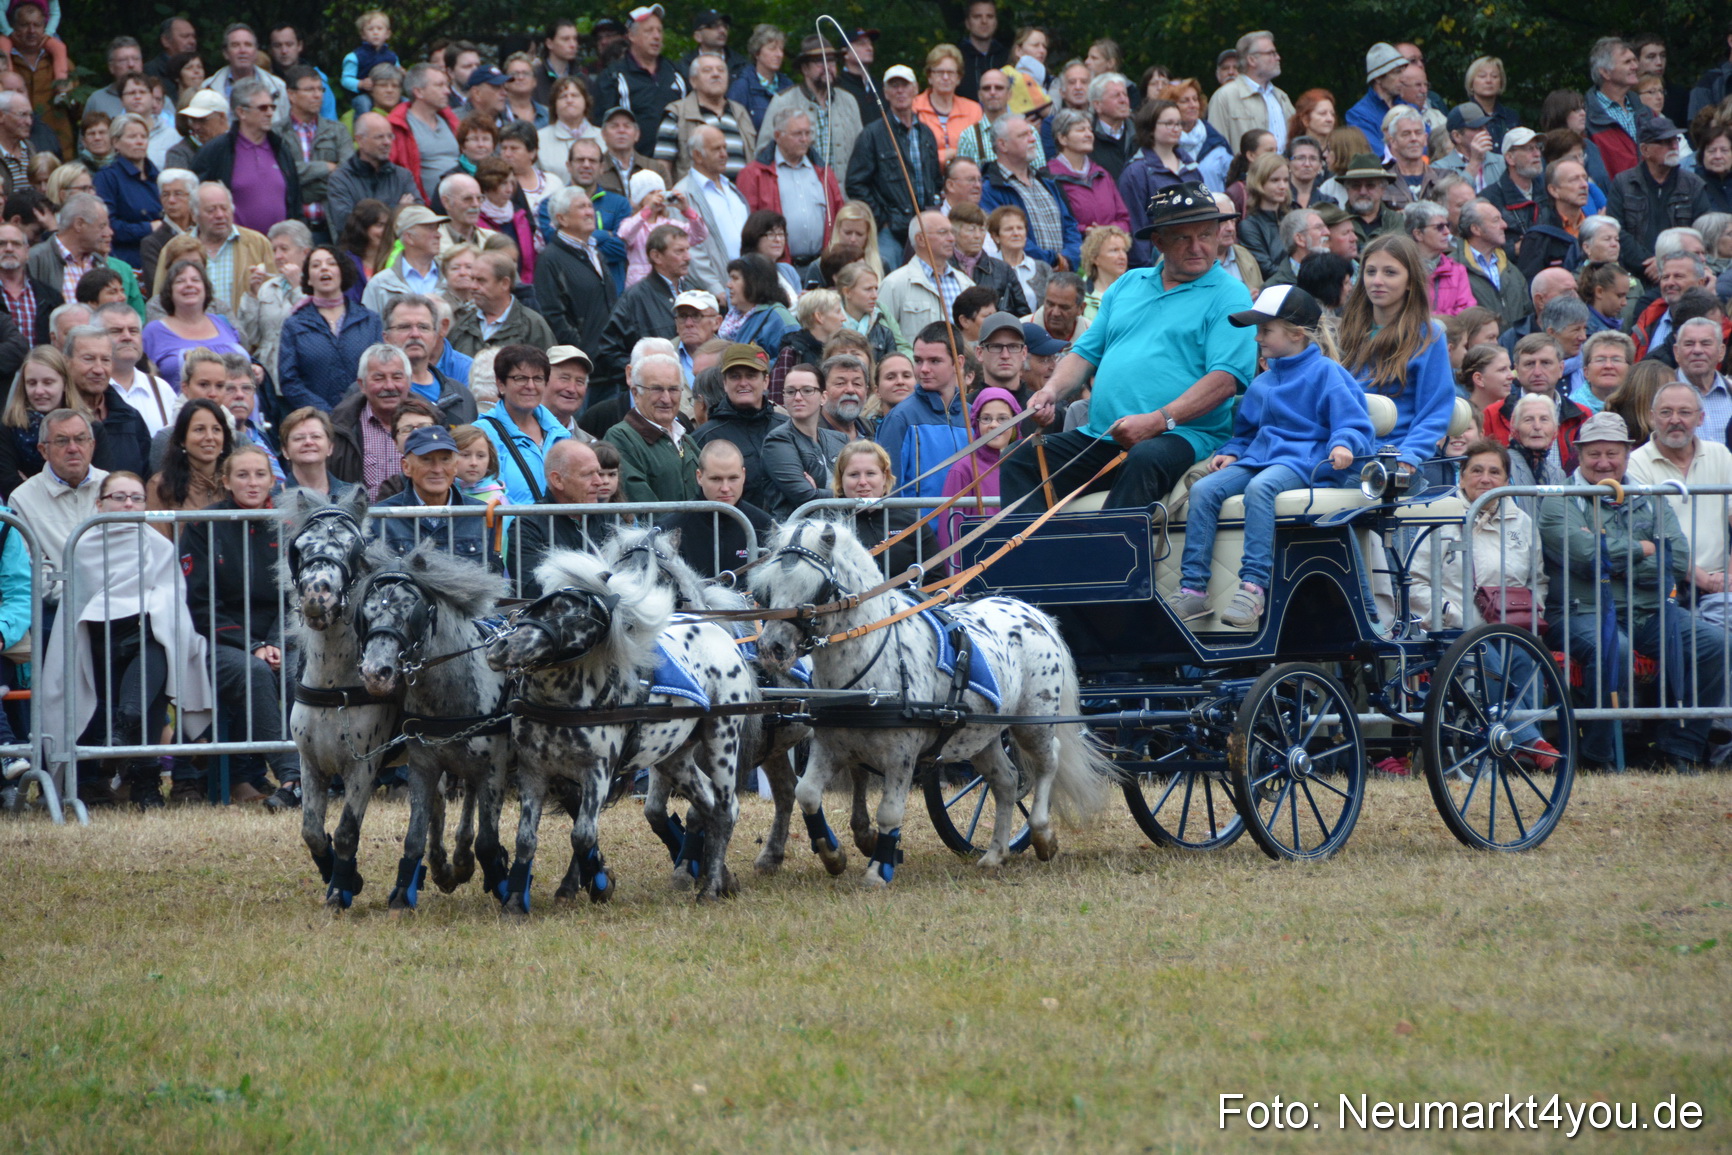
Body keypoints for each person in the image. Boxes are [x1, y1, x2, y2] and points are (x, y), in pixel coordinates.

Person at [1539, 410, 1723, 769]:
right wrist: (1644, 548)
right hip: (1582, 612)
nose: (1604, 462)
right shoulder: (1559, 498)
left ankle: (1678, 750)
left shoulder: (1648, 495)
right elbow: (1587, 556)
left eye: (1613, 453)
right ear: (1578, 454)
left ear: (1627, 454)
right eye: (1594, 453)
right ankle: (1596, 756)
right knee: (1615, 649)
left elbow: (1676, 557)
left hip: (1650, 611)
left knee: (1716, 645)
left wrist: (1614, 553)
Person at [40, 468, 215, 808]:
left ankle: (129, 731)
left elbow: (171, 601)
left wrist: (154, 612)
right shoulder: (82, 545)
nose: (129, 505)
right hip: (98, 652)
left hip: (148, 643)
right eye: (119, 498)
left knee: (158, 643)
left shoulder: (160, 546)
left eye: (136, 498)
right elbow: (80, 608)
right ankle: (144, 778)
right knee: (155, 651)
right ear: (100, 504)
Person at [184, 443, 302, 808]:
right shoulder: (205, 524)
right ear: (226, 482)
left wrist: (273, 642)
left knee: (301, 671)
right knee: (255, 672)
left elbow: (295, 597)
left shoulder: (288, 525)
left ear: (273, 481)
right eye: (242, 475)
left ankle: (319, 772)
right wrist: (252, 645)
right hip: (221, 640)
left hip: (281, 635)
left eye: (260, 474)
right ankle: (293, 777)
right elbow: (201, 603)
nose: (252, 483)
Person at [1408, 438, 1549, 641]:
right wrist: (1448, 615)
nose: (1485, 479)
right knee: (1489, 669)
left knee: (1525, 667)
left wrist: (1529, 617)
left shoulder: (1523, 522)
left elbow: (1537, 582)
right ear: (1462, 478)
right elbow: (1415, 580)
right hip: (1456, 632)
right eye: (1476, 471)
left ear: (1507, 481)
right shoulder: (1440, 518)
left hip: (1514, 632)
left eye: (1494, 472)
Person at [1337, 234, 1455, 475]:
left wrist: (1410, 455)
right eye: (1370, 272)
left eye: (1390, 272)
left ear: (1410, 281)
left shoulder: (1429, 336)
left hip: (1397, 460)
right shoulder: (1344, 331)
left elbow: (1435, 410)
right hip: (1343, 454)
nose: (1377, 281)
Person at [1627, 380, 1732, 616]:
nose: (1675, 420)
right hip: (1664, 582)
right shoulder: (1635, 464)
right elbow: (1649, 537)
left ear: (1701, 418)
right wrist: (1703, 579)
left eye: (1685, 412)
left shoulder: (1721, 455)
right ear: (1653, 418)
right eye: (1666, 412)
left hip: (1722, 582)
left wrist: (1728, 577)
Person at [846, 64, 941, 271]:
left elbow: (935, 179)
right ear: (885, 93)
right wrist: (883, 218)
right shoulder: (871, 134)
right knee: (887, 271)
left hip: (925, 225)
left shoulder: (926, 133)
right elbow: (855, 183)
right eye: (894, 86)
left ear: (916, 89)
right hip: (891, 229)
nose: (900, 91)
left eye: (905, 85)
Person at [373, 423, 498, 569]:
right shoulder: (382, 517)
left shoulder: (480, 513)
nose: (437, 469)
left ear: (455, 466)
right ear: (406, 467)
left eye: (445, 459)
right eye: (426, 459)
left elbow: (494, 575)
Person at [1608, 117, 1714, 285]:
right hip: (1632, 275)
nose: (1673, 146)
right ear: (1645, 150)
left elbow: (1703, 233)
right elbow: (1615, 230)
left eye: (1675, 140)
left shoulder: (1694, 185)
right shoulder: (1623, 183)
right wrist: (1649, 263)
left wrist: (1667, 265)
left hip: (1682, 275)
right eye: (1664, 142)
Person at [276, 244, 382, 411]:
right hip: (317, 423)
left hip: (365, 415)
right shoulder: (294, 324)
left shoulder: (369, 320)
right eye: (316, 265)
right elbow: (289, 380)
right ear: (309, 278)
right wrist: (324, 413)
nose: (324, 268)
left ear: (342, 272)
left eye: (331, 263)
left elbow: (381, 370)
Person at [873, 321, 969, 501]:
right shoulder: (900, 418)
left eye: (934, 361)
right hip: (918, 528)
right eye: (918, 361)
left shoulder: (975, 416)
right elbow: (889, 490)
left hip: (969, 527)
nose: (924, 369)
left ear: (958, 362)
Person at [506, 438, 610, 596]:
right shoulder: (527, 525)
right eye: (587, 474)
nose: (599, 481)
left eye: (598, 472)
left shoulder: (609, 518)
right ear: (558, 480)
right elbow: (531, 588)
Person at [476, 343, 571, 505]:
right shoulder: (482, 435)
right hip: (515, 529)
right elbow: (490, 497)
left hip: (558, 528)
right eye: (520, 378)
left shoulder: (560, 433)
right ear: (501, 384)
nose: (530, 386)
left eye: (538, 379)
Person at [665, 439, 773, 577]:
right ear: (699, 476)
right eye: (716, 479)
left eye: (733, 478)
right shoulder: (670, 529)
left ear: (744, 475)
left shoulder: (765, 526)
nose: (725, 488)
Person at [1119, 100, 1203, 268]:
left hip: (1195, 257)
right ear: (1150, 127)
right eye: (1168, 123)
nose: (1176, 128)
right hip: (1157, 264)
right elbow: (1136, 225)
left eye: (1179, 123)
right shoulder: (1136, 172)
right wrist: (1145, 270)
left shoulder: (1191, 167)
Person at [832, 438, 936, 573]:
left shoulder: (911, 521)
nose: (863, 481)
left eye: (870, 473)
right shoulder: (828, 523)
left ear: (884, 477)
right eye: (854, 475)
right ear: (841, 480)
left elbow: (936, 577)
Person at [603, 352, 697, 502]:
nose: (666, 399)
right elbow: (641, 505)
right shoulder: (621, 438)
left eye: (673, 389)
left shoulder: (687, 439)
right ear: (635, 393)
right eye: (657, 389)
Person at [139, 258, 245, 392]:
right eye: (180, 281)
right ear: (169, 291)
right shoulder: (153, 331)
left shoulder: (222, 322)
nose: (189, 285)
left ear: (206, 288)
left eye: (195, 280)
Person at [763, 359, 848, 516]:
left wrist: (818, 492)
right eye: (790, 391)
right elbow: (805, 496)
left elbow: (860, 483)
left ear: (823, 397)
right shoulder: (777, 441)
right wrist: (850, 495)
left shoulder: (840, 439)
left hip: (840, 531)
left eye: (807, 390)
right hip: (797, 534)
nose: (797, 397)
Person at [600, 4, 690, 149]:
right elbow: (602, 124)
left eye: (659, 31)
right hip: (634, 164)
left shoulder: (677, 73)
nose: (656, 36)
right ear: (631, 36)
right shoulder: (613, 76)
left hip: (677, 163)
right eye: (649, 31)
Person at [448, 249, 555, 354]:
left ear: (504, 283)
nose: (473, 286)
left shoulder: (533, 326)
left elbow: (550, 368)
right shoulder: (462, 326)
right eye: (472, 279)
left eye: (481, 280)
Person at [1045, 108, 1130, 236]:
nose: (1089, 134)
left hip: (1109, 249)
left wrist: (1106, 230)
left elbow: (1125, 220)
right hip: (1076, 252)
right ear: (1062, 138)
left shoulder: (1102, 174)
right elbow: (1054, 223)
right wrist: (1085, 231)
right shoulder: (1049, 176)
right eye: (1080, 130)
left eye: (1090, 130)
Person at [1208, 31, 1293, 154]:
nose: (1278, 57)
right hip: (1246, 173)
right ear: (1252, 60)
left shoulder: (1282, 97)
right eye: (1271, 53)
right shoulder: (1225, 96)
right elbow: (1216, 152)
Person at [145, 396, 229, 519]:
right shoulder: (161, 486)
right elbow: (157, 537)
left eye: (216, 429)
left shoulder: (235, 484)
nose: (210, 437)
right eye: (199, 429)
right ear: (182, 439)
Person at [1457, 198, 1531, 329]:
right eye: (1496, 220)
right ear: (1476, 229)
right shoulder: (1454, 268)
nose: (1504, 225)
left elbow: (1527, 312)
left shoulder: (1511, 270)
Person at [1584, 38, 1652, 179]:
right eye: (1627, 62)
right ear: (1605, 72)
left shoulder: (1646, 112)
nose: (1635, 66)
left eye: (1634, 60)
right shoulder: (1586, 118)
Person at [948, 203, 1028, 319]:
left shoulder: (1002, 269)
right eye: (971, 230)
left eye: (982, 230)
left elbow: (1023, 314)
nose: (978, 236)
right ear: (954, 233)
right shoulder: (943, 268)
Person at [1403, 200, 1474, 315]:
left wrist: (1434, 319)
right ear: (1418, 234)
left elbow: (1467, 312)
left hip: (1450, 333)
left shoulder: (1457, 270)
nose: (1447, 232)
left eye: (1447, 226)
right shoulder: (1400, 268)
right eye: (1439, 227)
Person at [1346, 43, 1410, 157]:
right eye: (1396, 72)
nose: (1403, 78)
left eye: (1402, 71)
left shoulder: (1408, 107)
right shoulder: (1359, 115)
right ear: (1378, 78)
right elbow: (1378, 155)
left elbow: (1427, 143)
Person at [278, 407, 355, 500]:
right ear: (285, 451)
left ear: (330, 447)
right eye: (298, 438)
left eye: (316, 436)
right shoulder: (273, 498)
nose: (308, 442)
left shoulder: (352, 496)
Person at [728, 24, 794, 133]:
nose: (779, 54)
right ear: (757, 53)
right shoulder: (741, 87)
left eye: (781, 49)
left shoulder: (788, 86)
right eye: (772, 49)